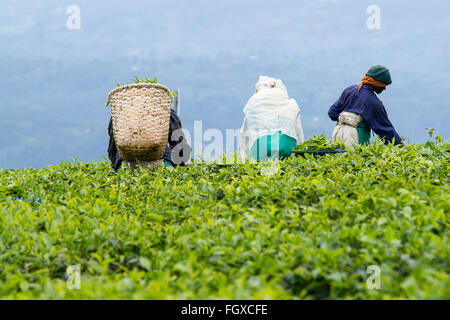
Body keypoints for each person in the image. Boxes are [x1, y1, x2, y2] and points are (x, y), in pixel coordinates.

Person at [328, 65, 404, 146]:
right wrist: (400, 145)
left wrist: (346, 120)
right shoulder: (373, 102)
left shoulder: (349, 90)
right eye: (383, 85)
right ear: (377, 83)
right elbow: (385, 131)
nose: (384, 88)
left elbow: (332, 113)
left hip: (338, 136)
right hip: (357, 139)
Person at [107, 109, 190, 171]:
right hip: (161, 163)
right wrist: (180, 168)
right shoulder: (166, 112)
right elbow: (180, 149)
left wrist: (116, 167)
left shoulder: (118, 114)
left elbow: (112, 150)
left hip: (125, 166)